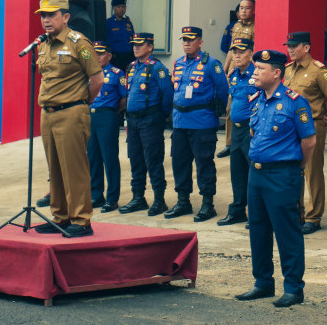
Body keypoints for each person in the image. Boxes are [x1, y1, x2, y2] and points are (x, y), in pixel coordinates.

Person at [234, 50, 316, 308]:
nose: (255, 72)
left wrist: (295, 167)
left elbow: (309, 141)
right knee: (257, 230)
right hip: (256, 174)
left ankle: (293, 288)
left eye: (260, 68)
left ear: (277, 73)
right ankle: (263, 283)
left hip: (282, 175)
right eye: (255, 67)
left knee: (286, 232)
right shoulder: (256, 99)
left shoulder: (295, 102)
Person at [33, 0, 103, 237]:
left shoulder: (78, 43)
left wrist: (82, 103)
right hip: (48, 113)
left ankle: (81, 220)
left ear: (66, 17)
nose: (46, 20)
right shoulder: (43, 44)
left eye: (51, 15)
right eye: (43, 15)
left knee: (74, 168)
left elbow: (97, 78)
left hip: (72, 112)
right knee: (55, 168)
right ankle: (60, 217)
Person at [166, 26, 229, 222]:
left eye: (191, 39)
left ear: (200, 42)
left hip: (202, 123)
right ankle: (183, 201)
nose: (186, 43)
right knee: (179, 163)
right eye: (184, 39)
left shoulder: (211, 64)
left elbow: (222, 90)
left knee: (204, 164)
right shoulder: (178, 63)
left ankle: (207, 204)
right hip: (180, 123)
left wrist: (215, 113)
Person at [283, 31, 327, 235]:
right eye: (288, 46)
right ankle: (298, 212)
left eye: (295, 46)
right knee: (294, 170)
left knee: (313, 171)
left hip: (312, 126)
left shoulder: (318, 71)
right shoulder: (287, 70)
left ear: (306, 48)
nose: (290, 50)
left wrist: (321, 113)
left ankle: (314, 217)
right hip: (290, 127)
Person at [119, 33, 174, 216]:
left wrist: (161, 115)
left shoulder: (157, 68)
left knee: (153, 160)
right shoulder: (132, 67)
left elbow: (167, 95)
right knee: (135, 159)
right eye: (134, 44)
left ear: (150, 47)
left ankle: (159, 200)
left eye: (140, 44)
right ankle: (138, 198)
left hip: (150, 119)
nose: (135, 47)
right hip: (133, 120)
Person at [217, 38, 258, 226]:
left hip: (252, 130)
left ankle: (256, 212)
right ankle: (238, 210)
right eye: (234, 52)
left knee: (254, 174)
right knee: (237, 173)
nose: (237, 55)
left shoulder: (257, 74)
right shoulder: (233, 74)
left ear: (251, 53)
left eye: (241, 51)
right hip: (237, 130)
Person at [87, 41, 127, 213]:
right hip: (90, 116)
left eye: (101, 54)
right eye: (95, 54)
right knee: (93, 158)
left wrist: (112, 112)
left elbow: (124, 99)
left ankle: (112, 198)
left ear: (109, 56)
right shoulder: (88, 73)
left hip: (107, 116)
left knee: (109, 158)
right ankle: (96, 195)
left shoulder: (117, 74)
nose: (97, 57)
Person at [218, 0, 256, 159]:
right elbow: (231, 50)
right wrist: (225, 69)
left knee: (246, 108)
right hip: (234, 73)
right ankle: (229, 143)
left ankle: (243, 141)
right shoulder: (235, 26)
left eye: (247, 8)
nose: (243, 11)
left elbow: (254, 51)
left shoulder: (256, 27)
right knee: (229, 108)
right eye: (241, 8)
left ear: (254, 10)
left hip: (246, 72)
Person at [106, 0, 135, 71]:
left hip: (129, 57)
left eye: (123, 7)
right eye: (119, 7)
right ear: (113, 8)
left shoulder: (128, 22)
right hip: (115, 58)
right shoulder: (108, 23)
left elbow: (133, 39)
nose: (122, 9)